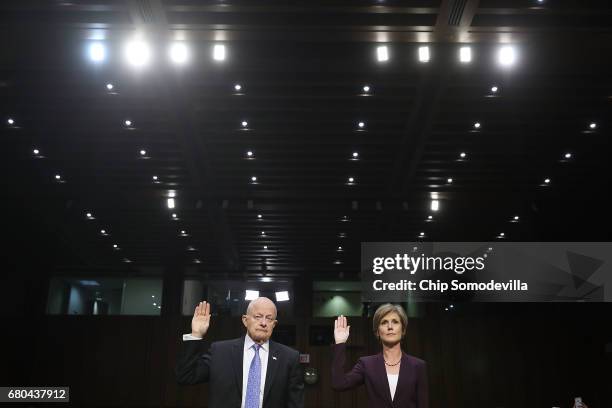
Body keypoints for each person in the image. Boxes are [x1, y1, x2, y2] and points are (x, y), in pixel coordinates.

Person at [176, 297, 304, 408]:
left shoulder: (289, 358)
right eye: (258, 317)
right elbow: (185, 376)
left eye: (269, 319)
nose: (263, 323)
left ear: (274, 324)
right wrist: (195, 334)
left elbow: (295, 403)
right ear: (245, 320)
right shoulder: (220, 352)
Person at [331, 303, 428, 408]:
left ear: (403, 330)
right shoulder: (366, 364)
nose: (390, 327)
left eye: (395, 322)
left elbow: (423, 404)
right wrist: (340, 343)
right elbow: (339, 384)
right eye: (384, 322)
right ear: (377, 332)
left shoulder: (418, 365)